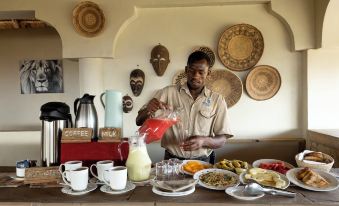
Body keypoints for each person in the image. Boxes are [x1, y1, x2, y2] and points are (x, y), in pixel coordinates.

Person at [136, 51, 233, 164]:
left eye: (201, 72)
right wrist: (148, 109)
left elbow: (222, 140)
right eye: (192, 70)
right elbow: (139, 121)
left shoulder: (217, 100)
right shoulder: (167, 93)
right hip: (172, 161)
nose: (196, 75)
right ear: (186, 70)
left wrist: (203, 141)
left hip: (203, 162)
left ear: (208, 73)